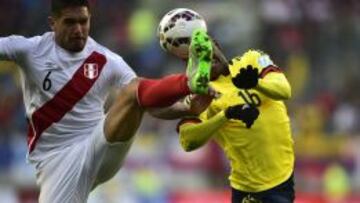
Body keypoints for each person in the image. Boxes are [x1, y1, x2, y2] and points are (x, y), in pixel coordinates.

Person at [0, 1, 215, 202]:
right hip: (57, 160)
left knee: (133, 91)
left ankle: (189, 80)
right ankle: (189, 81)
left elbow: (145, 100)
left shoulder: (107, 60)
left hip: (99, 142)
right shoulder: (28, 49)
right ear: (52, 23)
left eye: (83, 21)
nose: (78, 29)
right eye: (70, 22)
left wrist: (185, 107)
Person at [176, 30, 295, 202]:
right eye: (200, 58)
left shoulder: (252, 59)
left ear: (217, 46)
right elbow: (187, 140)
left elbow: (284, 90)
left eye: (209, 50)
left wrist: (256, 83)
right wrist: (226, 115)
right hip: (247, 189)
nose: (209, 58)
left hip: (283, 176)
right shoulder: (202, 94)